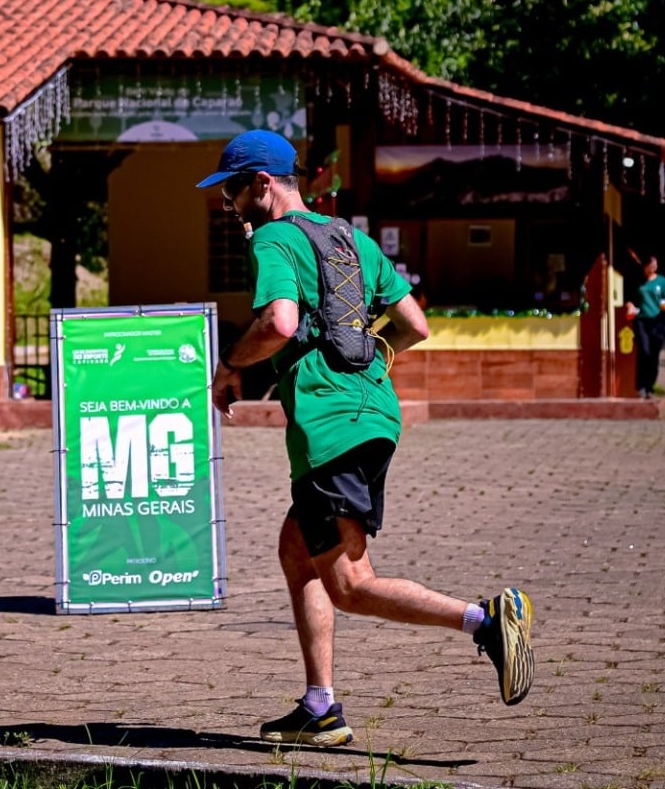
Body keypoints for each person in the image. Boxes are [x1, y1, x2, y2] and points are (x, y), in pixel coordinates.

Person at [196, 129, 536, 747]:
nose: (229, 204)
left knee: (351, 584)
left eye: (233, 190)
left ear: (263, 186)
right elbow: (415, 324)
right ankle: (320, 706)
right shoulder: (350, 238)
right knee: (297, 548)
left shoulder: (273, 239)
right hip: (376, 415)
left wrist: (228, 368)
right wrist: (374, 355)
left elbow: (279, 321)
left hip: (331, 429)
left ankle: (487, 623)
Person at [626, 253, 665, 399]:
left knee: (654, 354)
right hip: (641, 320)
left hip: (657, 320)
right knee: (644, 351)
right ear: (644, 267)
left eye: (654, 265)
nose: (651, 268)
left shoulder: (662, 281)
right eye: (649, 265)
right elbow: (629, 299)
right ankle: (640, 386)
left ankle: (650, 386)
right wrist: (630, 306)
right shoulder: (638, 281)